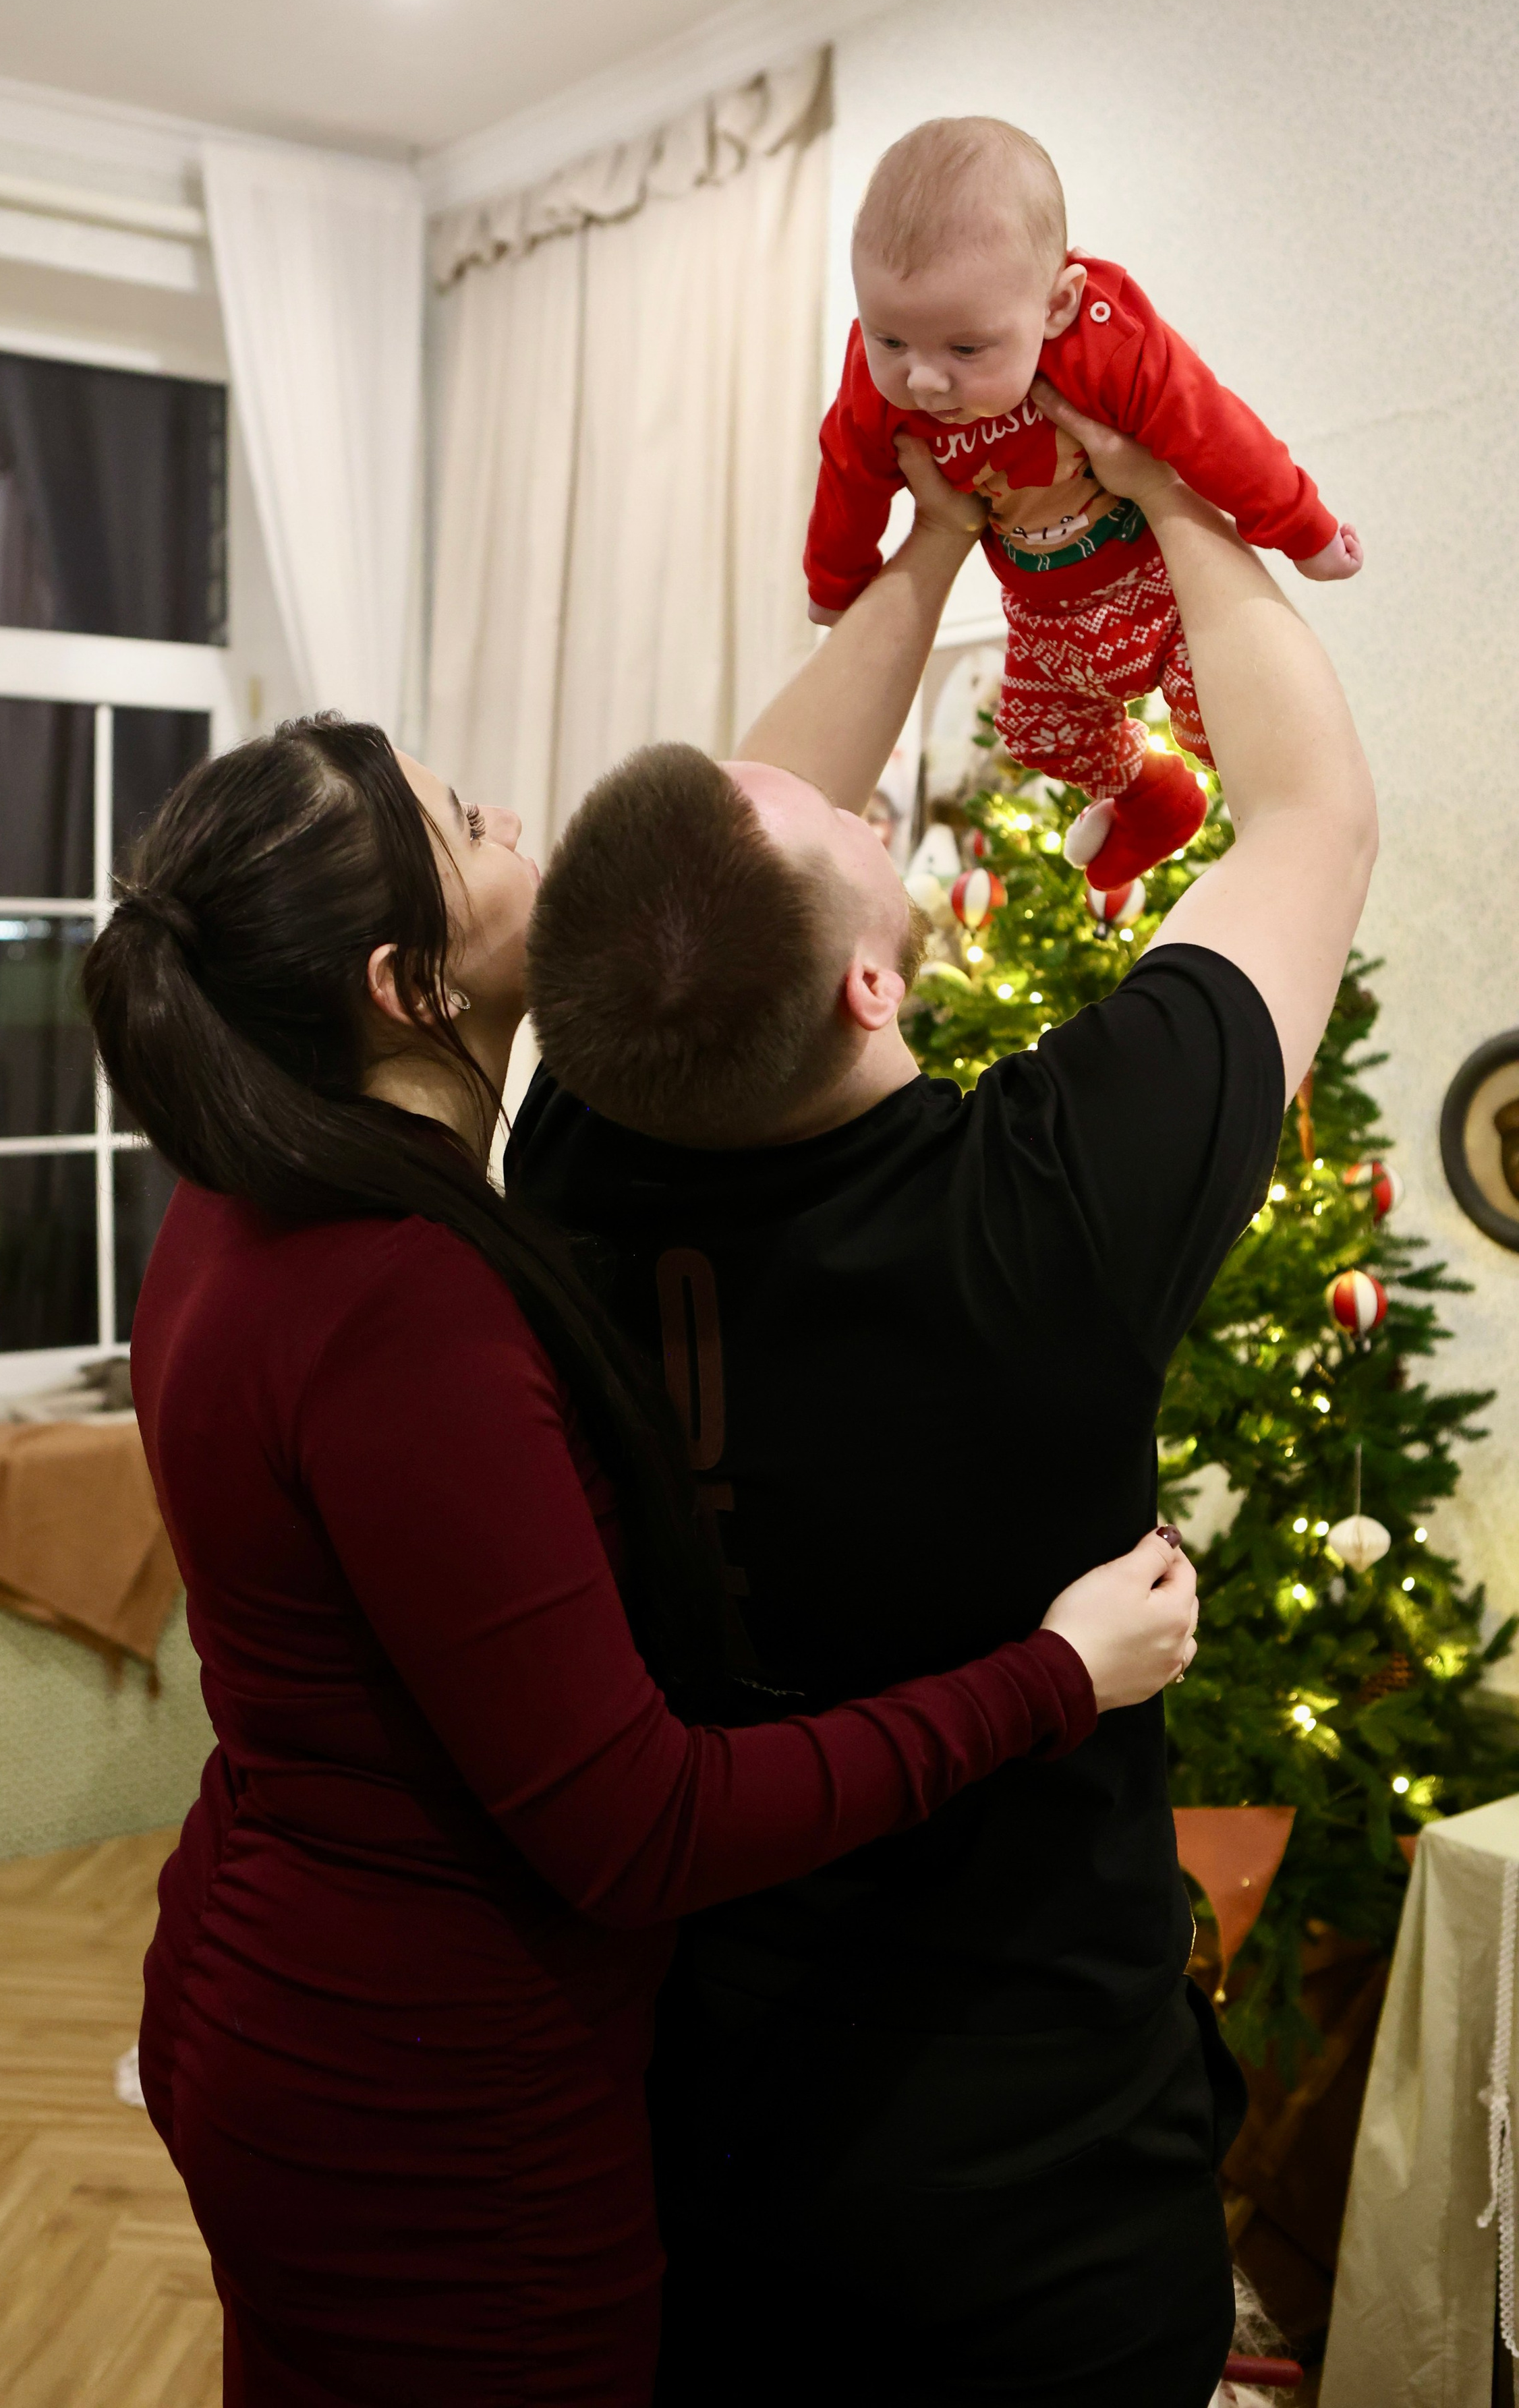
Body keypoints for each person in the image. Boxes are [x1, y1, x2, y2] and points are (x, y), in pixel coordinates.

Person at [80, 528, 1199, 2405]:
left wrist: (928, 550)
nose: (527, 818)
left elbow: (744, 844)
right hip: (425, 2099)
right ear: (406, 983)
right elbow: (638, 1827)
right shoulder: (402, 1298)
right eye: (470, 826)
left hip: (280, 1984)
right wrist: (1053, 1679)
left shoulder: (247, 1181)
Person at [511, 392, 1378, 2406]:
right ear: (866, 989)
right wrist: (1171, 492)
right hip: (1041, 2201)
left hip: (719, 2148)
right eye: (849, 839)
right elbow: (1312, 817)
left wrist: (920, 547)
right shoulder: (1041, 1215)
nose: (867, 807)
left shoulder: (574, 1152)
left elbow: (721, 842)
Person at [804, 116, 1362, 889]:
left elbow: (1209, 425)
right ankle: (1150, 799)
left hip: (1160, 591)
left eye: (966, 350)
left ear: (1057, 305)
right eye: (889, 339)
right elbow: (847, 477)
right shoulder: (878, 384)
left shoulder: (1104, 337)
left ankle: (1274, 859)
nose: (923, 380)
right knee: (1033, 729)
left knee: (1227, 715)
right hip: (1043, 614)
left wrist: (1305, 528)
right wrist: (836, 585)